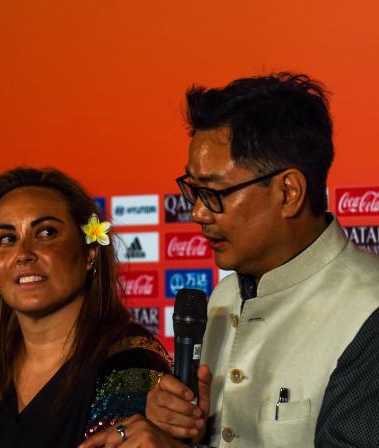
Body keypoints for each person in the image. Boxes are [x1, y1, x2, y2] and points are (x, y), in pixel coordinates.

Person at [84, 73, 379, 448]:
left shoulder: (368, 312)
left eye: (213, 192)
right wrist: (174, 428)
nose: (196, 212)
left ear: (288, 192)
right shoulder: (223, 298)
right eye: (193, 189)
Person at [0, 167, 172, 448]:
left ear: (89, 254)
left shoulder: (130, 362)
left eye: (46, 233)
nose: (23, 254)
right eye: (7, 239)